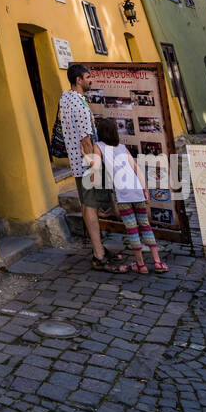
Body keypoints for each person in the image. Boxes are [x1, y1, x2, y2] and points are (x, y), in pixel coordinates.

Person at [58, 63, 126, 272]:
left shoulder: (65, 98)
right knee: (90, 207)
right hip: (88, 163)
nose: (90, 80)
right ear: (78, 80)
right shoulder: (78, 105)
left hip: (78, 163)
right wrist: (95, 168)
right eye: (88, 77)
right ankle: (98, 255)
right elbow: (85, 139)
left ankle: (100, 249)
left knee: (89, 205)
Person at [88, 117, 168, 274]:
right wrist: (145, 189)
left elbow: (96, 166)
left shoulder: (98, 146)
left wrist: (86, 156)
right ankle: (157, 261)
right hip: (136, 189)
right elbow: (135, 168)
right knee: (145, 225)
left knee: (132, 228)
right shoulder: (123, 147)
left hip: (122, 193)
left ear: (100, 133)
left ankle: (140, 264)